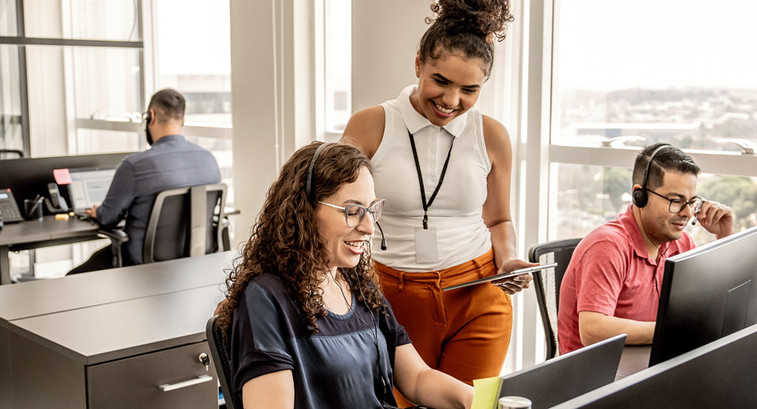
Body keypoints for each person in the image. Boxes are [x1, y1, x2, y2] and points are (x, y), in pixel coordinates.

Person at [341, 1, 534, 402]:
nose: (451, 100)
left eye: (469, 90)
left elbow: (498, 219)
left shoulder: (492, 135)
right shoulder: (371, 124)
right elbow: (337, 212)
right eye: (440, 81)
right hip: (390, 295)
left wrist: (509, 258)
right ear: (418, 64)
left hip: (477, 291)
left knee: (475, 405)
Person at [216, 142, 474, 409]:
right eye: (353, 211)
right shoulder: (266, 298)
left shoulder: (360, 288)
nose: (369, 227)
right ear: (305, 211)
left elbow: (417, 378)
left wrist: (474, 401)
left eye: (372, 210)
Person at [558, 143, 735, 354]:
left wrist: (724, 236)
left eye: (692, 202)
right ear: (639, 196)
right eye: (676, 201)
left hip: (649, 366)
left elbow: (711, 309)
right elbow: (592, 330)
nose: (687, 213)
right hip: (599, 380)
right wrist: (669, 330)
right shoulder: (608, 246)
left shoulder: (681, 244)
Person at [68, 88, 221, 273]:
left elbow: (108, 217)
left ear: (151, 116)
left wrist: (97, 212)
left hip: (141, 265)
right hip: (193, 265)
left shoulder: (134, 166)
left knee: (72, 277)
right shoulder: (209, 160)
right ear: (182, 119)